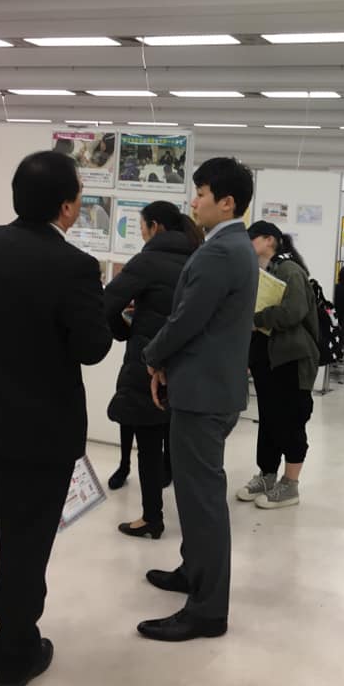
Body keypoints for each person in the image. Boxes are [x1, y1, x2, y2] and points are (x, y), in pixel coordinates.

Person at [0, 151, 112, 686]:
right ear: (68, 206)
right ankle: (13, 657)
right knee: (24, 547)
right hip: (37, 437)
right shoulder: (74, 266)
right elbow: (91, 347)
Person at [137, 157, 258, 643]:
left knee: (203, 500)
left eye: (201, 194)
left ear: (226, 202)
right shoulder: (232, 247)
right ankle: (194, 571)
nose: (193, 202)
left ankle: (207, 611)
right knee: (193, 494)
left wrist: (152, 356)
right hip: (209, 386)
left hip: (203, 393)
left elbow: (187, 319)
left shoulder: (221, 252)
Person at [103, 202, 202, 539]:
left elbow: (107, 303)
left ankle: (151, 518)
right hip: (189, 365)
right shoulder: (198, 258)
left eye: (142, 226)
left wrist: (125, 331)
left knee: (147, 443)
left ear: (155, 226)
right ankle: (190, 525)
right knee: (181, 444)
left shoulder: (148, 261)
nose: (142, 233)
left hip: (150, 364)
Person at [238, 222, 320, 508]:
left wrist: (256, 319)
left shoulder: (290, 271)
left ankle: (290, 484)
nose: (247, 243)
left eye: (252, 238)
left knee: (291, 419)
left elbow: (293, 312)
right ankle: (267, 475)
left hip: (291, 358)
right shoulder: (263, 271)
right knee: (269, 419)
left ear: (269, 240)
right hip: (267, 356)